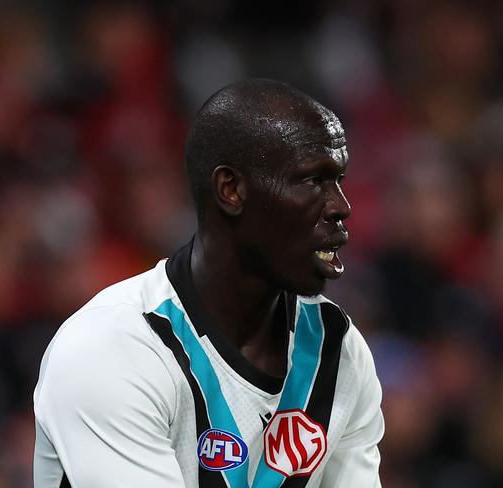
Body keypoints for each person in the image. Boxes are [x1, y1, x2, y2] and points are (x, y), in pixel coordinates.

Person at [33, 79, 384, 488]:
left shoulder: (338, 351)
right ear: (231, 190)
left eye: (339, 179)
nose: (342, 207)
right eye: (312, 181)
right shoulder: (112, 348)